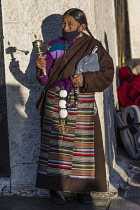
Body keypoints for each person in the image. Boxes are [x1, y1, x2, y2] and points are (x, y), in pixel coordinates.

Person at [35, 8, 114, 205]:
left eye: (70, 24)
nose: (65, 27)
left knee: (82, 147)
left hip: (82, 102)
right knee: (56, 145)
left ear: (82, 26)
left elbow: (107, 72)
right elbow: (45, 80)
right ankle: (55, 188)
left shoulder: (93, 46)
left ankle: (83, 190)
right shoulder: (53, 46)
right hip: (56, 99)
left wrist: (85, 78)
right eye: (63, 23)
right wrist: (40, 68)